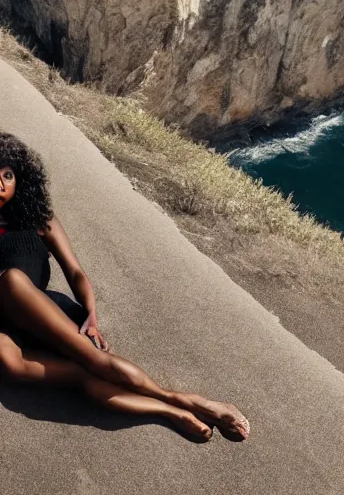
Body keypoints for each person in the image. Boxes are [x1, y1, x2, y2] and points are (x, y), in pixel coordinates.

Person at [0, 132, 249, 441]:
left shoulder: (39, 219)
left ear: (19, 180)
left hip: (40, 310)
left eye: (7, 175)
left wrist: (90, 312)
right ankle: (170, 411)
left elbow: (75, 271)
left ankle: (190, 400)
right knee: (13, 366)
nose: (0, 184)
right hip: (4, 321)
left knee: (13, 282)